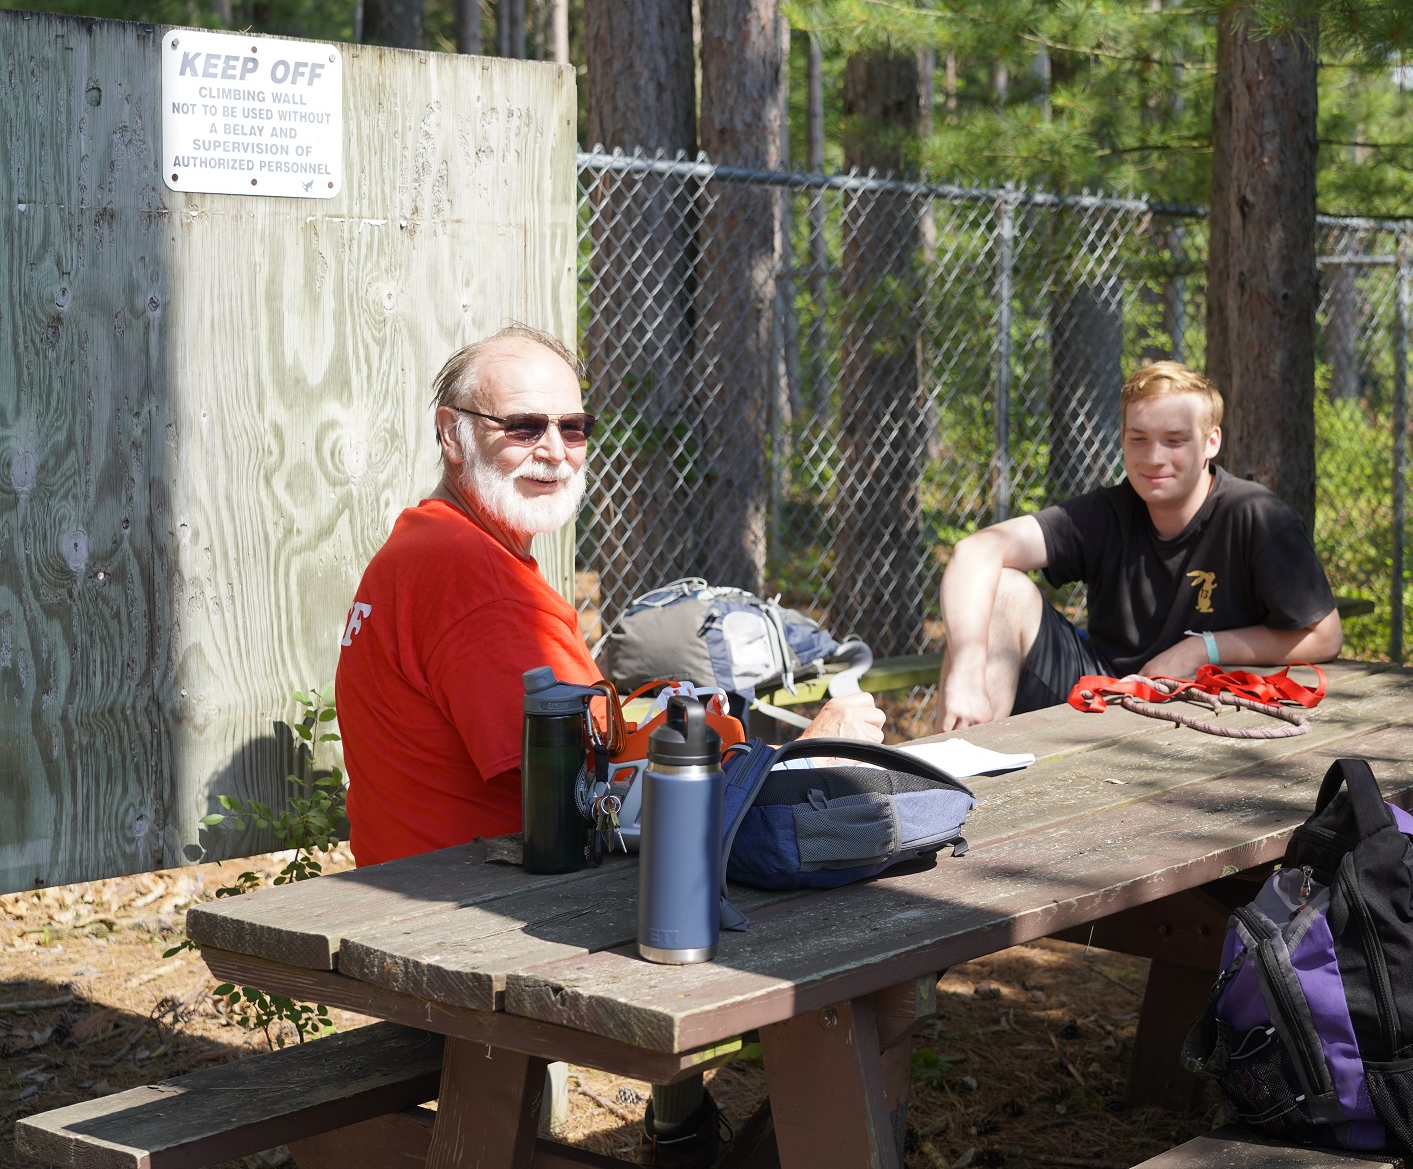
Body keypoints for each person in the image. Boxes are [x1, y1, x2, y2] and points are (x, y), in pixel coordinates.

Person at [336, 323, 882, 1167]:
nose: (554, 450)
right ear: (452, 433)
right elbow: (599, 800)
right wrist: (812, 751)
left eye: (574, 426)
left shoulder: (437, 542)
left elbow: (578, 753)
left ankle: (683, 1126)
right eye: (523, 427)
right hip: (479, 918)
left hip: (446, 888)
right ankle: (724, 1140)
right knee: (861, 944)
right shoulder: (472, 578)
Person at [936, 360, 1343, 730]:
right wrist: (967, 671)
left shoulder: (1257, 515)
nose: (1153, 458)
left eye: (1174, 440)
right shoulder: (1107, 511)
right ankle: (954, 772)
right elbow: (976, 550)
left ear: (1211, 441)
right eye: (1139, 438)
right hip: (1101, 692)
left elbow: (1325, 636)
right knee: (1004, 589)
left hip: (1208, 706)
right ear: (1122, 437)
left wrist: (1204, 648)